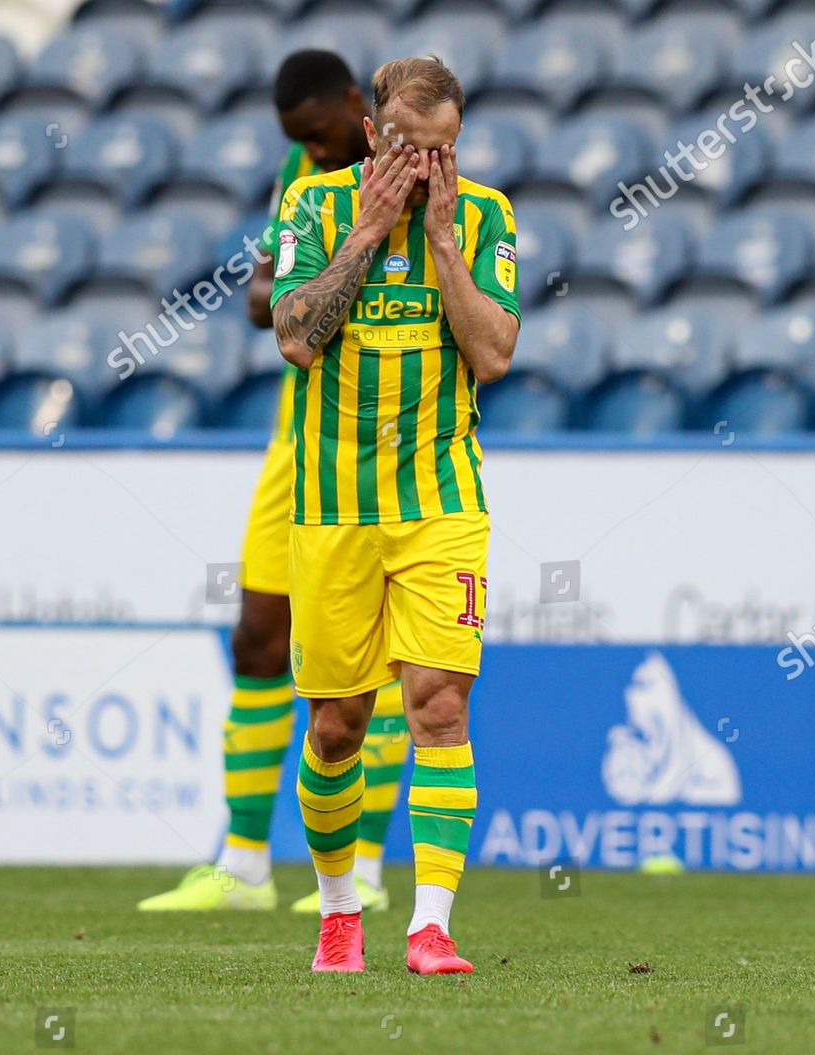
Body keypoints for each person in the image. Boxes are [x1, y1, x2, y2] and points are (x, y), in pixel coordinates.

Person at [137, 50, 411, 915]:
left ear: (351, 107)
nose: (313, 156)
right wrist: (300, 283)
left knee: (388, 665)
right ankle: (245, 863)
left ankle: (363, 870)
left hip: (390, 439)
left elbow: (295, 296)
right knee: (258, 638)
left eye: (320, 137)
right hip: (299, 441)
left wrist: (310, 279)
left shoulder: (405, 170)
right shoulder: (305, 172)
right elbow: (263, 301)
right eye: (299, 144)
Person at [270, 56, 519, 973]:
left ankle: (431, 927)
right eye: (412, 152)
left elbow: (492, 357)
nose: (428, 171)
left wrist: (446, 247)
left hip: (441, 502)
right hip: (334, 509)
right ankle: (339, 911)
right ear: (375, 136)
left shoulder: (485, 216)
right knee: (337, 724)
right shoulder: (312, 207)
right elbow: (296, 334)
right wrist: (369, 231)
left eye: (445, 152)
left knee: (441, 706)